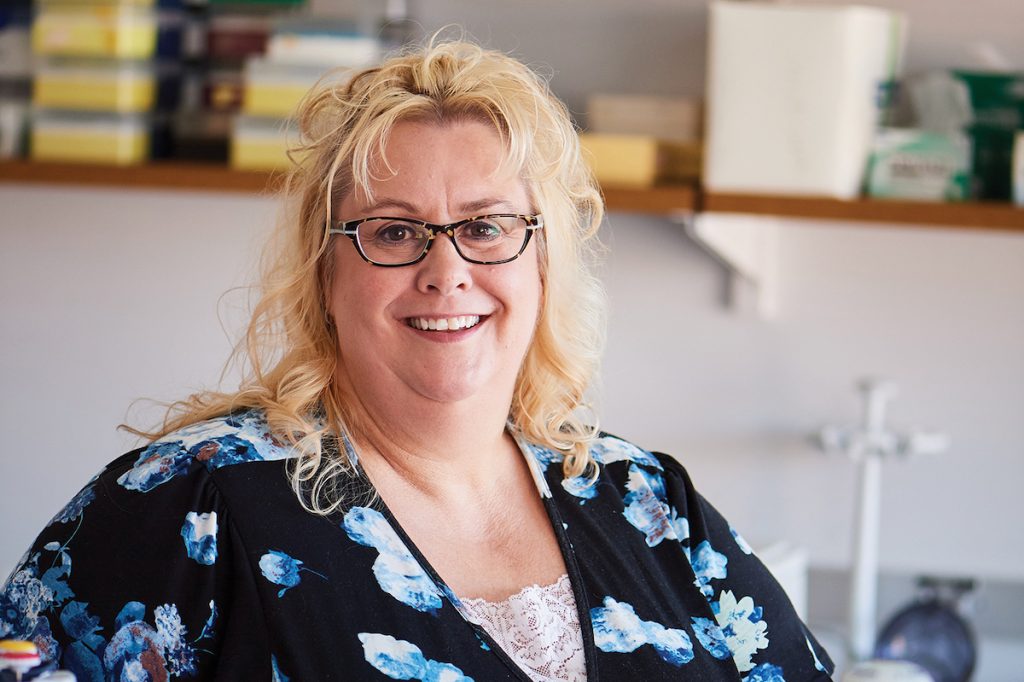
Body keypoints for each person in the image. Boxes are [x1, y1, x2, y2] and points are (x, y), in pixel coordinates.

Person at [0, 39, 834, 681]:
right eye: (393, 231)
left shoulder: (648, 504)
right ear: (326, 272)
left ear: (543, 265)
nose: (446, 272)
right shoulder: (192, 509)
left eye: (487, 226)